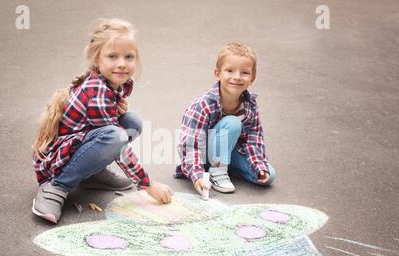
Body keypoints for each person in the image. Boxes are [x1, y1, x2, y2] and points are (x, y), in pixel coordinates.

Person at [32, 18, 173, 223]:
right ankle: (57, 186)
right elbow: (119, 145)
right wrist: (148, 184)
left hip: (79, 143)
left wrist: (115, 111)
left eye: (129, 56)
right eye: (112, 56)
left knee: (131, 122)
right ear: (96, 60)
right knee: (116, 136)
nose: (122, 63)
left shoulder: (111, 83)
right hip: (57, 162)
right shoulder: (97, 90)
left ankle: (91, 175)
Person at [174, 42, 276, 197]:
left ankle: (225, 166)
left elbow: (253, 138)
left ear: (253, 78)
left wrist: (258, 165)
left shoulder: (249, 105)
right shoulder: (202, 106)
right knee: (232, 123)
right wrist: (197, 176)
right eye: (229, 70)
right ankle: (217, 172)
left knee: (268, 175)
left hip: (228, 151)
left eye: (244, 73)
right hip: (204, 155)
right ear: (217, 73)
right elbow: (191, 145)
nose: (237, 77)